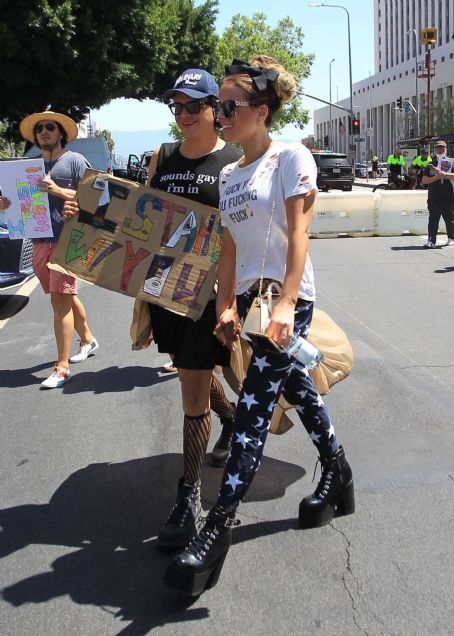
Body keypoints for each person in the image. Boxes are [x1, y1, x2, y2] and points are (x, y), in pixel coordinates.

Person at [164, 56, 354, 596]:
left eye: (228, 106)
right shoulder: (230, 173)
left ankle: (216, 529)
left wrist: (287, 304)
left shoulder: (291, 157)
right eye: (219, 107)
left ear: (261, 111)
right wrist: (226, 305)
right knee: (298, 387)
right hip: (248, 302)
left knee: (252, 406)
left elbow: (299, 235)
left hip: (284, 302)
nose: (220, 115)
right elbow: (228, 247)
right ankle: (338, 472)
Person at [145, 68, 243, 547]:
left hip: (214, 294)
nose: (183, 116)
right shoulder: (160, 157)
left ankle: (189, 496)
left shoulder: (233, 161)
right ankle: (229, 419)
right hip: (168, 290)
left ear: (214, 109)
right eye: (176, 107)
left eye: (193, 106)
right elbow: (139, 221)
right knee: (192, 371)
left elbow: (244, 234)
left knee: (194, 383)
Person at [0, 111, 98, 388]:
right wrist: (5, 204)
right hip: (38, 241)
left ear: (61, 133)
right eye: (40, 128)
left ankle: (62, 367)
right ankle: (88, 339)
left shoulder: (75, 161)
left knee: (59, 301)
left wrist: (58, 190)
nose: (44, 131)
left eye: (50, 127)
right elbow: (15, 202)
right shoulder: (27, 167)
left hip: (68, 241)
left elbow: (98, 196)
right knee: (64, 297)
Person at [421, 140, 454, 248]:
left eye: (442, 148)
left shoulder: (451, 162)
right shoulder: (431, 163)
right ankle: (431, 241)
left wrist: (444, 175)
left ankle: (451, 238)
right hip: (434, 197)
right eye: (438, 148)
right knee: (433, 219)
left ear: (446, 150)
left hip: (448, 196)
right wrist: (437, 177)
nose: (440, 150)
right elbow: (424, 180)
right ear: (435, 150)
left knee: (449, 219)